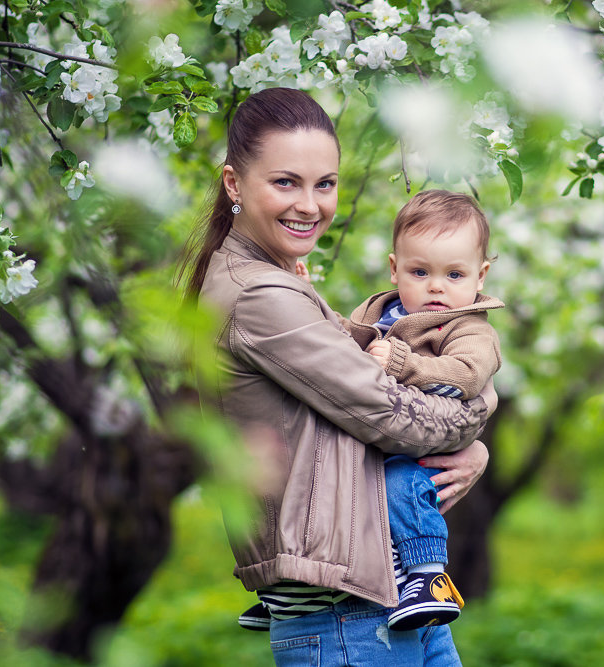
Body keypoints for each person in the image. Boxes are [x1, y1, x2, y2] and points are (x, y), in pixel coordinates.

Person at [181, 87, 493, 666]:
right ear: (233, 185)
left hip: (382, 599)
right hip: (343, 615)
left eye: (324, 183)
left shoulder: (279, 279)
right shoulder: (257, 295)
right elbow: (391, 415)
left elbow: (360, 404)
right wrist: (474, 425)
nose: (310, 204)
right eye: (285, 182)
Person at [240, 190, 502, 633]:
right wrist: (306, 297)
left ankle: (427, 575)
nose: (436, 286)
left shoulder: (470, 327)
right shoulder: (380, 311)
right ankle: (292, 590)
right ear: (395, 268)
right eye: (420, 272)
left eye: (454, 274)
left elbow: (467, 375)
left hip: (421, 447)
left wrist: (403, 363)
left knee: (400, 487)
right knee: (326, 487)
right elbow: (339, 342)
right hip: (380, 435)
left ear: (481, 276)